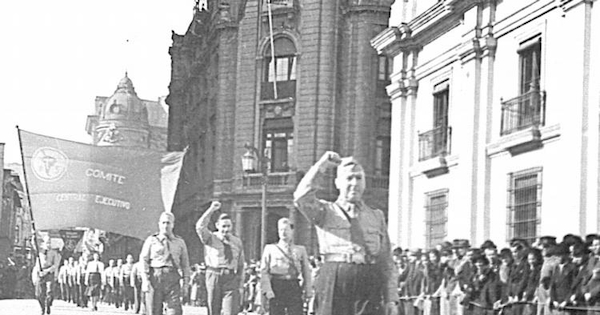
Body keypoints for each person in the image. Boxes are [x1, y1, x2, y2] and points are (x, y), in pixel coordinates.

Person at [294, 151, 399, 315]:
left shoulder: (376, 216)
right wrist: (322, 165)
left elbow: (386, 261)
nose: (354, 183)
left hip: (368, 279)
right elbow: (301, 197)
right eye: (349, 178)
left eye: (359, 178)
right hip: (334, 279)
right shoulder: (325, 211)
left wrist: (391, 298)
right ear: (337, 183)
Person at [196, 201, 245, 315]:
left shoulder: (237, 242)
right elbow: (199, 226)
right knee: (213, 310)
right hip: (214, 276)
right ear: (217, 226)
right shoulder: (210, 238)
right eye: (223, 226)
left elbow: (241, 265)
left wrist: (241, 286)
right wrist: (211, 210)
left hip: (231, 278)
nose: (226, 229)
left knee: (231, 311)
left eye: (228, 226)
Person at [140, 211, 191, 315]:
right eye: (163, 223)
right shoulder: (151, 240)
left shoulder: (180, 242)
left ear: (173, 224)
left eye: (168, 223)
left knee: (175, 311)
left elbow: (185, 265)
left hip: (172, 278)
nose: (165, 226)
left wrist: (186, 284)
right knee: (154, 311)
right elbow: (143, 260)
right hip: (155, 277)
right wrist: (145, 280)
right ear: (159, 224)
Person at [260, 218, 312, 315]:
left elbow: (306, 272)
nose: (283, 232)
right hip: (277, 285)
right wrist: (268, 290)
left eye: (286, 229)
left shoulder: (300, 250)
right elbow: (264, 271)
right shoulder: (270, 249)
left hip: (294, 285)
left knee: (296, 312)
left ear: (292, 231)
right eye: (281, 230)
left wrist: (308, 290)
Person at [31, 235, 61, 315]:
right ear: (44, 243)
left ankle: (48, 305)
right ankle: (42, 308)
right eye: (47, 242)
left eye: (49, 242)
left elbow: (55, 265)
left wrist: (47, 271)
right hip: (40, 274)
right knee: (39, 294)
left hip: (49, 274)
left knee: (49, 291)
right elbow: (34, 245)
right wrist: (33, 237)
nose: (48, 244)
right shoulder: (39, 252)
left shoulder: (54, 253)